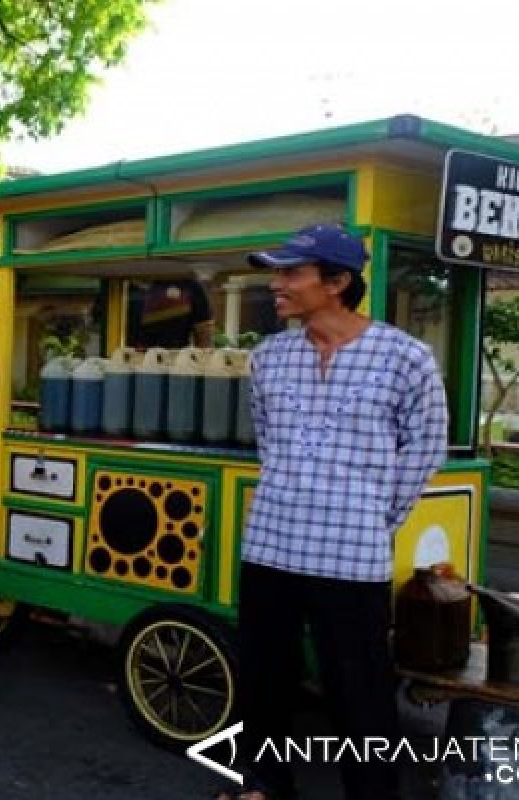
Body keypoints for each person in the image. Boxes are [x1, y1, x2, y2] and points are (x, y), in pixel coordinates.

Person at [223, 224, 448, 800]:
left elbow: (424, 449)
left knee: (360, 693)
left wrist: (372, 519)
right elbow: (270, 441)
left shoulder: (405, 358)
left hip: (351, 559)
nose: (277, 284)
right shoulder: (268, 358)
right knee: (264, 681)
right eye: (277, 272)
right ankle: (264, 786)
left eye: (290, 273)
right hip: (271, 544)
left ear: (338, 281)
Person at [127, 277, 214, 348]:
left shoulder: (190, 286)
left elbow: (204, 338)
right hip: (126, 360)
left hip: (175, 362)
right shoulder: (122, 283)